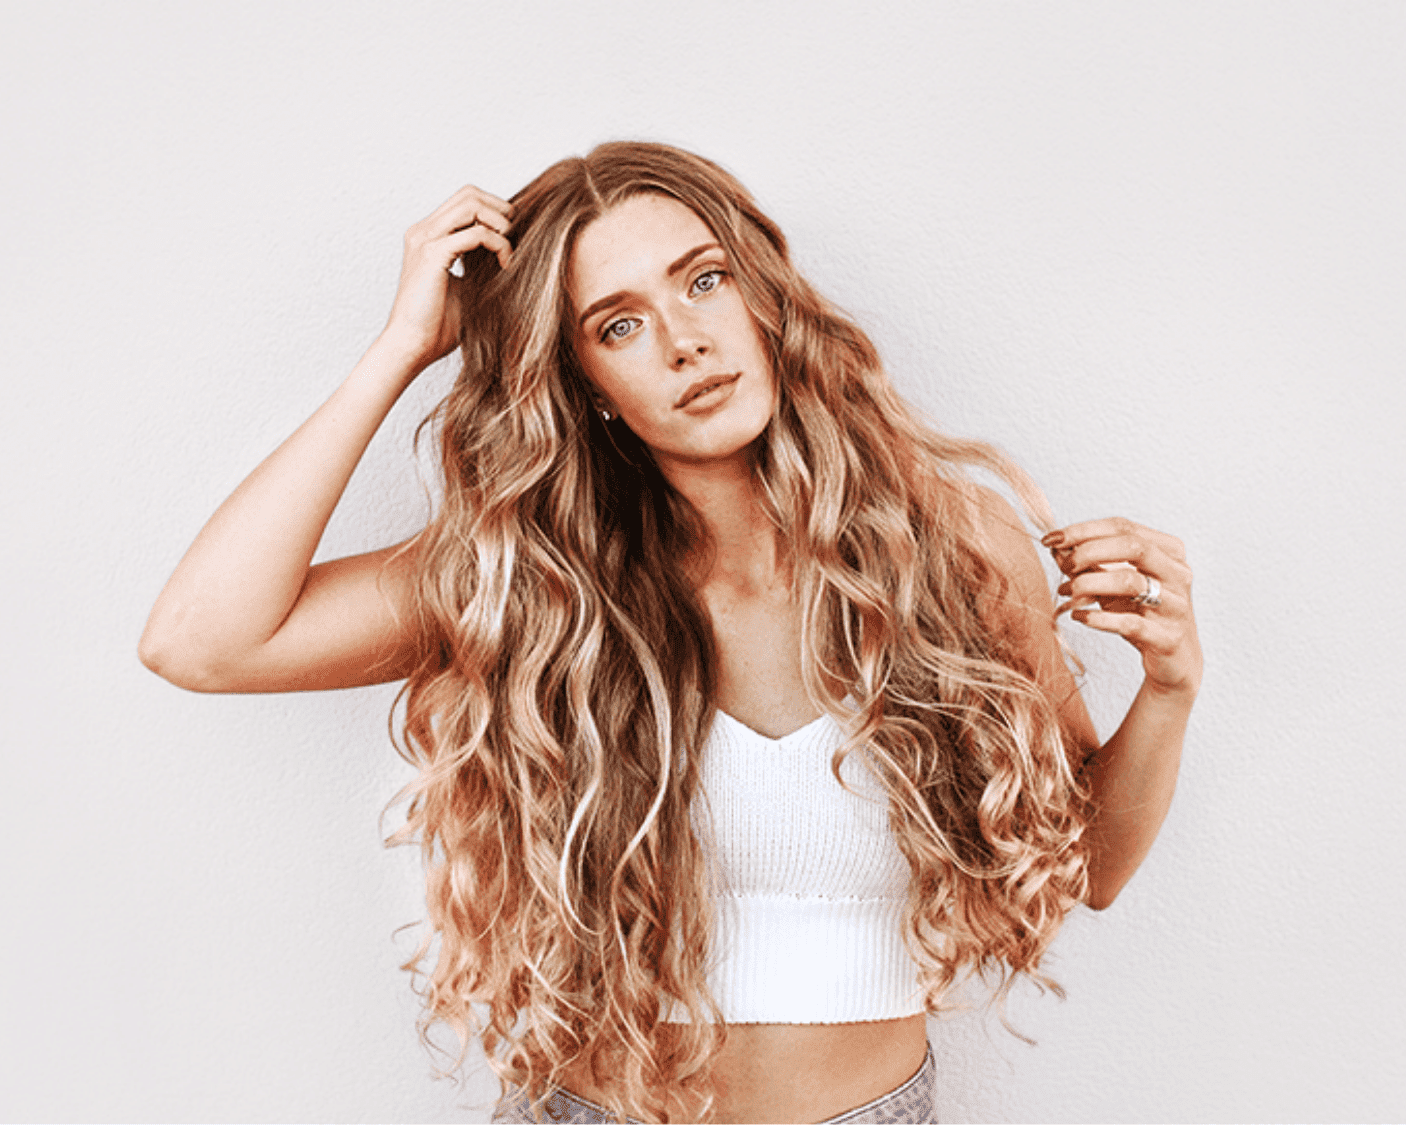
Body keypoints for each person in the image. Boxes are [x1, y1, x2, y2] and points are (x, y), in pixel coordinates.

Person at [140, 141, 1201, 1124]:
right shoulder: (534, 583)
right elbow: (201, 641)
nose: (684, 340)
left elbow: (1085, 868)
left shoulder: (949, 546)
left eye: (703, 280)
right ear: (587, 388)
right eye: (617, 324)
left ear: (763, 298)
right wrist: (404, 346)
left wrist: (1166, 689)